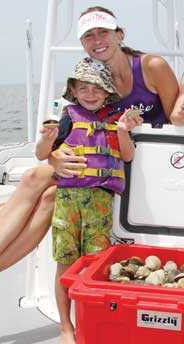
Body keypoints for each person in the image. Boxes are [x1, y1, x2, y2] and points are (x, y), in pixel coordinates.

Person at [0, 6, 179, 295]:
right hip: (96, 159)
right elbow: (66, 130)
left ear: (119, 35)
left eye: (103, 33)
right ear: (83, 44)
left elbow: (178, 122)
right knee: (36, 181)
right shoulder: (89, 75)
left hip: (138, 160)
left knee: (47, 195)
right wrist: (55, 156)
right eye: (89, 36)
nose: (97, 41)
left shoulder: (151, 66)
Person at [35, 58, 138, 344]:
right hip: (68, 200)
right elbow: (42, 154)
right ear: (73, 91)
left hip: (100, 201)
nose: (90, 93)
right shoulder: (66, 118)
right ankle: (66, 326)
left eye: (97, 88)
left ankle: (89, 323)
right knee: (65, 263)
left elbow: (127, 156)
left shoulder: (115, 120)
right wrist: (47, 140)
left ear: (107, 92)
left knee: (94, 264)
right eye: (83, 88)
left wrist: (122, 131)